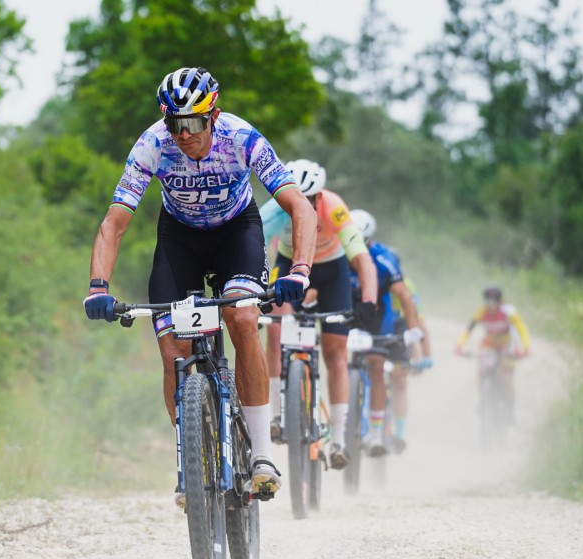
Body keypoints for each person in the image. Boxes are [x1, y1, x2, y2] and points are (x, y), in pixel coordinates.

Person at [82, 67, 317, 507]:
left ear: (214, 115)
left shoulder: (242, 138)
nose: (184, 134)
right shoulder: (152, 144)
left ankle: (263, 457)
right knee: (172, 350)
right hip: (180, 240)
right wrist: (98, 287)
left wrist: (299, 270)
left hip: (236, 234)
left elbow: (299, 207)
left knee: (242, 315)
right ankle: (190, 461)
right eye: (175, 124)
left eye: (193, 122)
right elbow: (114, 223)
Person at [259, 160, 386, 471]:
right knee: (275, 328)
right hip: (291, 264)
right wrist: (256, 286)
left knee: (335, 352)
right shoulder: (276, 209)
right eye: (294, 197)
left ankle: (339, 440)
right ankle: (276, 414)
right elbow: (253, 246)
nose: (302, 204)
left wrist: (368, 300)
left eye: (311, 197)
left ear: (320, 196)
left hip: (332, 271)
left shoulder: (334, 207)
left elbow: (362, 259)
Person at [349, 209, 431, 456]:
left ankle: (397, 432)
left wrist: (420, 350)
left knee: (399, 377)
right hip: (366, 322)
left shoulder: (401, 282)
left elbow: (415, 319)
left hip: (393, 328)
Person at [454, 285, 530, 413]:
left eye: (492, 302)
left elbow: (521, 328)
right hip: (489, 344)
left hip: (508, 345)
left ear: (499, 301)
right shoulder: (482, 311)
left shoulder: (509, 312)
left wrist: (525, 348)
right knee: (482, 370)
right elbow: (469, 328)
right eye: (487, 301)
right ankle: (482, 401)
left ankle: (510, 410)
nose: (489, 305)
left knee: (506, 377)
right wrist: (459, 346)